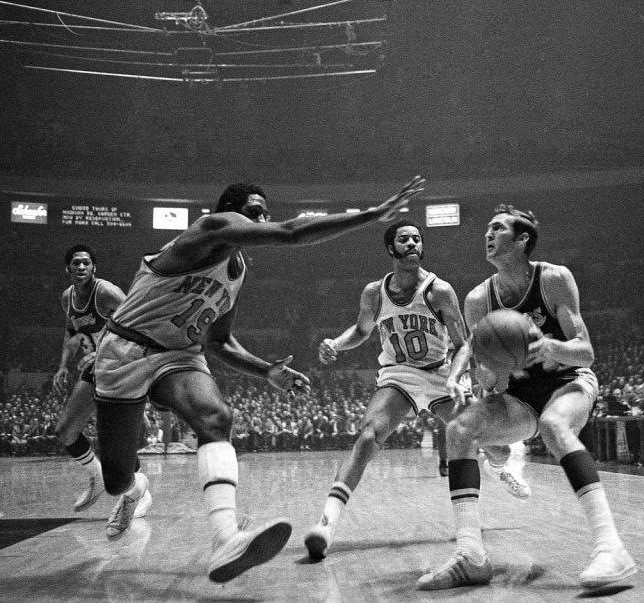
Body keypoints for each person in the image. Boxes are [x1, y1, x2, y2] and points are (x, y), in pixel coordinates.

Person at [92, 176, 423, 583]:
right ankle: (135, 490)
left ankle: (225, 540)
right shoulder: (208, 230)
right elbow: (290, 232)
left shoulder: (237, 269)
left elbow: (219, 341)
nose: (263, 220)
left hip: (177, 354)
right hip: (125, 349)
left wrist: (266, 370)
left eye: (265, 213)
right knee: (116, 478)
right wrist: (370, 216)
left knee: (216, 418)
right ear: (228, 214)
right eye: (254, 212)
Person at [417, 205, 636, 591]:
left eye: (498, 229)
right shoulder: (478, 299)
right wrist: (471, 377)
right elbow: (478, 358)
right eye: (487, 229)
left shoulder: (553, 279)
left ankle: (611, 548)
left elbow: (585, 351)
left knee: (554, 425)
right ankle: (471, 555)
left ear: (522, 241)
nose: (488, 234)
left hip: (568, 379)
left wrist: (546, 346)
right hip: (520, 396)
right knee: (459, 429)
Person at [304, 220, 526, 561]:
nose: (412, 244)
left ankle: (496, 465)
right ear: (391, 249)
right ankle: (326, 523)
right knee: (368, 436)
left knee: (494, 447)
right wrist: (337, 343)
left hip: (439, 373)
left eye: (417, 239)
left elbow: (463, 342)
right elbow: (362, 330)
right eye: (404, 239)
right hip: (399, 374)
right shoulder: (373, 293)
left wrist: (454, 376)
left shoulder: (439, 291)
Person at [51, 244, 153, 517]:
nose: (81, 267)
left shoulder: (106, 292)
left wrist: (105, 352)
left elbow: (137, 321)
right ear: (68, 269)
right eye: (75, 264)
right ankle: (97, 477)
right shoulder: (67, 298)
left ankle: (138, 493)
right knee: (65, 431)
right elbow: (71, 332)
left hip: (121, 365)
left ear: (94, 267)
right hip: (95, 367)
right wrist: (63, 365)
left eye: (86, 263)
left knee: (116, 437)